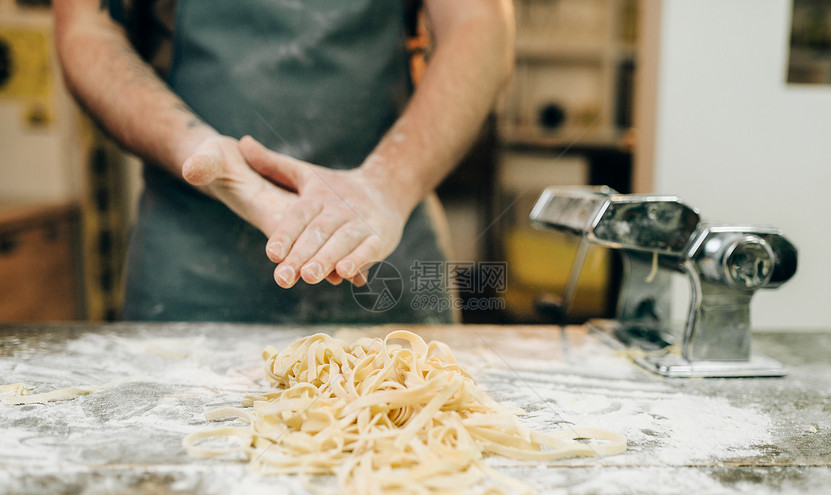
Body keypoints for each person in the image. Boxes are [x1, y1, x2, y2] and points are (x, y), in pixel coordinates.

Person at [53, 0, 515, 323]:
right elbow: (89, 28)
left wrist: (391, 181)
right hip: (194, 261)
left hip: (385, 247)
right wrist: (190, 144)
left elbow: (478, 21)